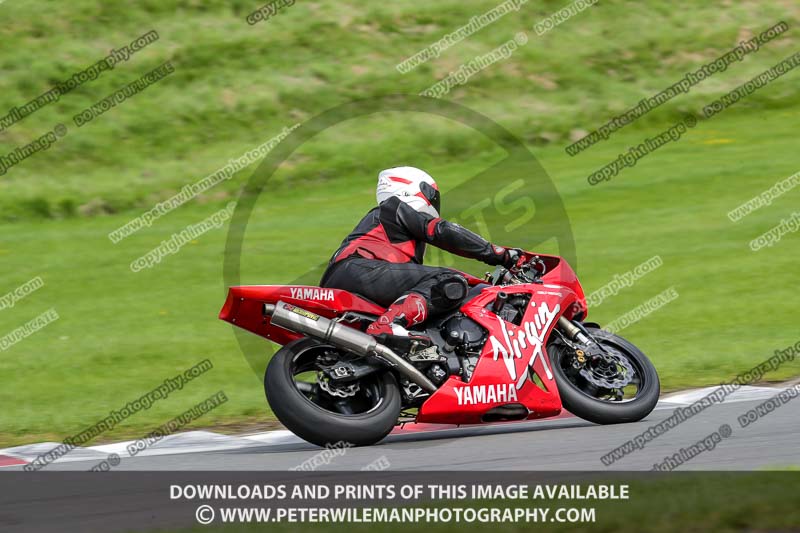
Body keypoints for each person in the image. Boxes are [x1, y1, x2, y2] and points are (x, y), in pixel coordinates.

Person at [320, 166, 520, 344]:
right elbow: (442, 231)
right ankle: (389, 324)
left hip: (349, 277)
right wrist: (499, 254)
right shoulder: (393, 207)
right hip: (358, 270)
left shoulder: (391, 229)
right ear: (413, 190)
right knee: (448, 281)